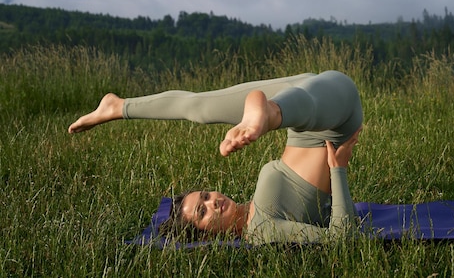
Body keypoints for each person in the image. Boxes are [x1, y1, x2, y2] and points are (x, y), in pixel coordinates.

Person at [68, 70, 363, 244]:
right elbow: (340, 239)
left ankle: (118, 106)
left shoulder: (251, 210)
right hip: (333, 119)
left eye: (206, 196)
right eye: (203, 212)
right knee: (284, 108)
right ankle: (265, 115)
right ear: (206, 235)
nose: (213, 202)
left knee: (200, 108)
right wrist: (339, 170)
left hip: (304, 105)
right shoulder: (261, 231)